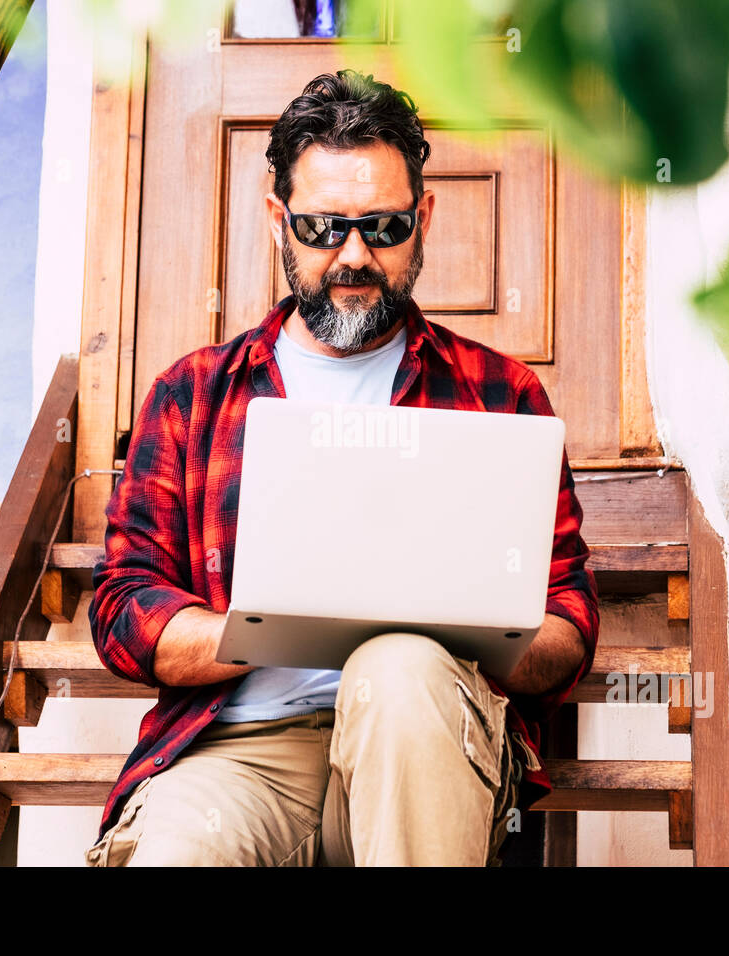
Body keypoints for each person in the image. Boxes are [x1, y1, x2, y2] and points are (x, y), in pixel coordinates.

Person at [83, 70, 599, 867]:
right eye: (323, 228)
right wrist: (275, 625)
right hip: (240, 754)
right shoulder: (191, 395)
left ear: (423, 219)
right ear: (277, 222)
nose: (354, 256)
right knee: (181, 850)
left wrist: (467, 628)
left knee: (397, 666)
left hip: (423, 745)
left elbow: (568, 621)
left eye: (384, 227)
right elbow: (124, 610)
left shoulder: (501, 394)